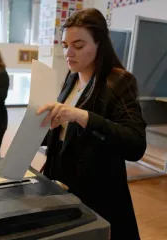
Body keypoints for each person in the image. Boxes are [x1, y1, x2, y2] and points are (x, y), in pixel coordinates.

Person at [36, 8, 146, 239]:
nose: (68, 53)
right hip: (63, 185)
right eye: (65, 45)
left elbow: (135, 144)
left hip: (98, 192)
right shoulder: (71, 78)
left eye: (78, 46)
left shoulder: (118, 81)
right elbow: (65, 134)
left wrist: (81, 116)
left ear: (99, 44)